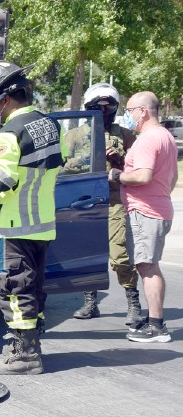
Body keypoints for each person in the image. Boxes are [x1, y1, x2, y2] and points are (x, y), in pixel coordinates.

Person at [0, 61, 65, 375]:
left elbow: (3, 178)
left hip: (10, 228)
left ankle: (26, 356)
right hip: (41, 226)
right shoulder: (49, 126)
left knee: (11, 288)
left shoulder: (9, 134)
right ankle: (29, 346)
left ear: (6, 98)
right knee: (32, 288)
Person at [69, 83, 142, 324]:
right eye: (97, 107)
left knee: (119, 253)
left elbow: (138, 168)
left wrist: (118, 158)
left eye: (107, 107)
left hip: (113, 200)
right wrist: (86, 159)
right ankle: (90, 302)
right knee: (88, 253)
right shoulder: (76, 136)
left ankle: (133, 303)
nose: (102, 111)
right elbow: (61, 166)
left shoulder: (125, 135)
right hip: (84, 201)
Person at [110, 91, 177, 342]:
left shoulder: (149, 138)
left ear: (143, 111)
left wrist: (116, 175)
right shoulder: (165, 136)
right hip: (156, 208)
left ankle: (156, 326)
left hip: (145, 212)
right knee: (150, 265)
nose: (127, 116)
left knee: (147, 267)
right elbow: (172, 178)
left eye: (129, 111)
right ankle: (154, 322)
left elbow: (143, 176)